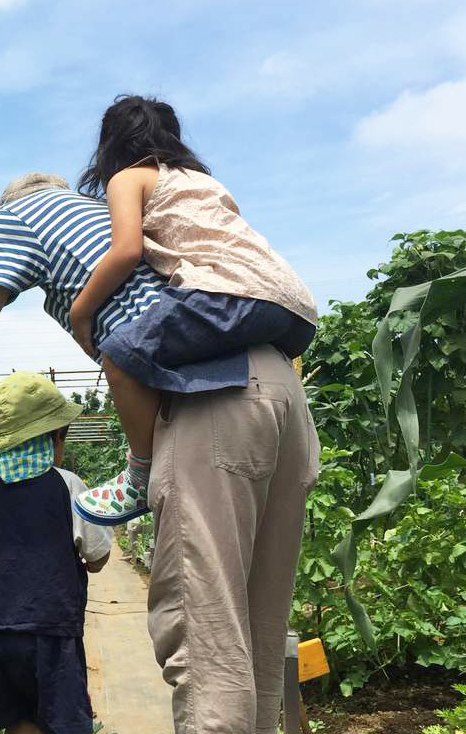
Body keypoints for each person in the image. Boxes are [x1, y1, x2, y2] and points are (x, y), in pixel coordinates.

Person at [0, 169, 320, 734]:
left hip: (207, 400)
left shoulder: (16, 219)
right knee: (253, 637)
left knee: (206, 641)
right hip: (278, 385)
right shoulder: (104, 214)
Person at [67, 95, 318, 526]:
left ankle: (139, 475)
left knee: (122, 354)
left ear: (110, 144)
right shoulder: (203, 182)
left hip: (231, 293)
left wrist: (80, 312)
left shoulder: (127, 178)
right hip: (294, 309)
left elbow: (125, 250)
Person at [0, 371, 111, 734]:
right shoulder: (68, 487)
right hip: (53, 630)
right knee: (55, 725)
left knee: (19, 720)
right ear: (55, 439)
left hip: (1, 631)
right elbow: (98, 558)